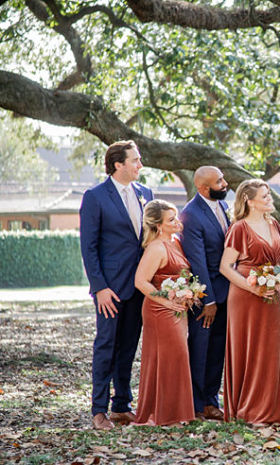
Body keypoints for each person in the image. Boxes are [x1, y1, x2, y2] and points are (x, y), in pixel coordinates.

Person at [79, 140, 153, 430]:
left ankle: (122, 406)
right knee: (106, 346)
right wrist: (99, 288)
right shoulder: (95, 196)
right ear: (118, 164)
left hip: (139, 286)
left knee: (128, 347)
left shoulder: (146, 193)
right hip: (109, 288)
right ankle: (99, 410)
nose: (140, 165)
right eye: (135, 160)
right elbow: (89, 247)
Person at [219, 180, 280, 425]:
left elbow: (279, 260)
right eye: (265, 196)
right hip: (245, 295)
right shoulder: (239, 228)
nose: (270, 200)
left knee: (269, 350)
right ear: (249, 200)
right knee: (249, 349)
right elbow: (225, 267)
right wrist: (254, 288)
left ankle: (269, 409)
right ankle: (248, 410)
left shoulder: (274, 224)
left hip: (271, 295)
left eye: (269, 195)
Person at [133, 200, 195, 426]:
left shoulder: (175, 243)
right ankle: (159, 414)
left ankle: (174, 412)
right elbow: (140, 281)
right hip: (160, 311)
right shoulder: (156, 248)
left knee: (177, 358)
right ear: (159, 226)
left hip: (179, 311)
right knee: (168, 359)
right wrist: (167, 301)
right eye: (171, 220)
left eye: (176, 216)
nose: (177, 222)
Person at [180, 166, 230, 421]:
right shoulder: (190, 215)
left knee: (218, 349)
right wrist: (208, 300)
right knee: (200, 349)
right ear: (202, 188)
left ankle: (212, 400)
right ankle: (196, 404)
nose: (225, 183)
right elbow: (197, 262)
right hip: (205, 297)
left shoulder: (223, 206)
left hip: (227, 293)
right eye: (219, 181)